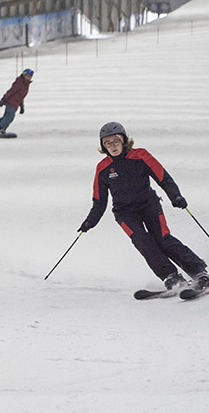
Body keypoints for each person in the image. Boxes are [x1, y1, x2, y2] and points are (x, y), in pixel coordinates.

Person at [78, 121, 209, 293]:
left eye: (116, 141)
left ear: (124, 140)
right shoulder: (103, 168)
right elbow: (99, 201)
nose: (113, 146)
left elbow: (163, 177)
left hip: (149, 205)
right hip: (124, 213)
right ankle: (171, 277)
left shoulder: (140, 156)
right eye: (107, 143)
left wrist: (175, 195)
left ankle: (199, 272)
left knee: (163, 238)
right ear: (103, 145)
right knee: (143, 241)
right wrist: (90, 222)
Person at [0, 68, 32, 135]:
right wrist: (3, 99)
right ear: (24, 75)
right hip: (11, 102)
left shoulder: (25, 84)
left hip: (15, 104)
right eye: (27, 76)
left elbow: (21, 96)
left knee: (6, 117)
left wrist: (22, 106)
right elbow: (11, 91)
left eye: (30, 76)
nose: (28, 78)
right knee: (9, 117)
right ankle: (0, 129)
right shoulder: (20, 82)